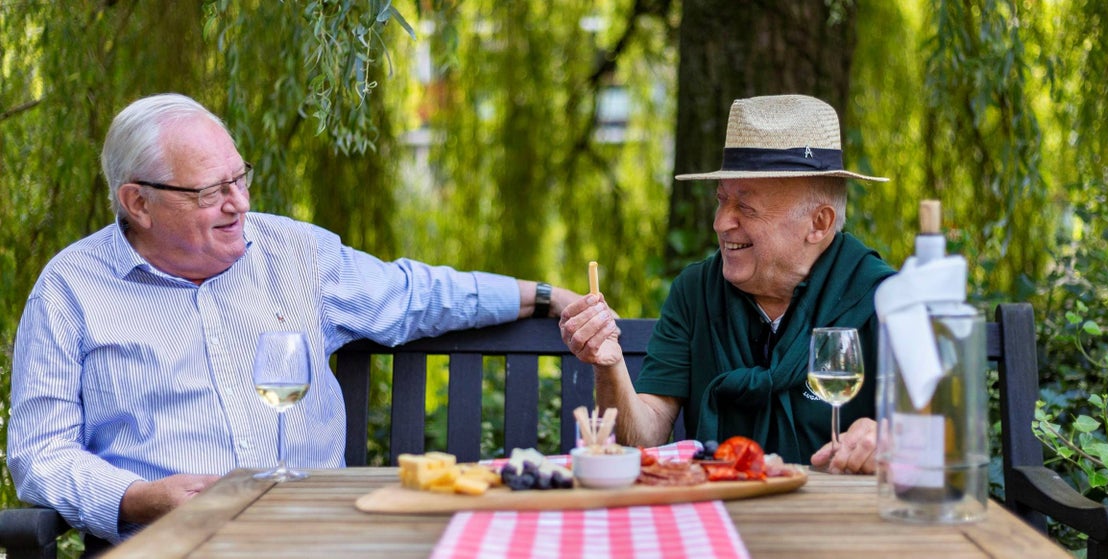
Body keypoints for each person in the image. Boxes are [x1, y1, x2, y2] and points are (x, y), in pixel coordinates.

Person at [7, 93, 580, 544]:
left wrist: (546, 295)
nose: (240, 204)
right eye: (211, 191)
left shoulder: (297, 255)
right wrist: (136, 497)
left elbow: (417, 295)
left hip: (310, 533)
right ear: (138, 203)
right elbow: (40, 454)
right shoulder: (70, 289)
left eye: (240, 178)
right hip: (169, 542)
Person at [559, 94, 894, 474]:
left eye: (745, 208)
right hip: (718, 507)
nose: (721, 223)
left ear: (818, 223)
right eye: (722, 201)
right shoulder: (695, 291)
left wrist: (889, 434)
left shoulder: (883, 299)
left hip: (838, 518)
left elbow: (935, 438)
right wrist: (610, 365)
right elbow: (642, 436)